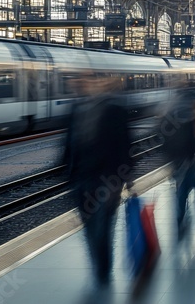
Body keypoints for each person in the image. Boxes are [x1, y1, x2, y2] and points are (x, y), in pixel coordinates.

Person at [62, 74, 133, 288]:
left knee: (103, 225)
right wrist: (67, 173)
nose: (93, 84)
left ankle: (103, 266)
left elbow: (125, 146)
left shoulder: (116, 110)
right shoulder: (76, 109)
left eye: (97, 80)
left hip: (107, 180)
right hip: (81, 178)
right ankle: (98, 260)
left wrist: (126, 179)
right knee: (89, 226)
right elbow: (68, 143)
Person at [159, 83, 195, 236]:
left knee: (179, 183)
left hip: (174, 155)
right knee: (184, 186)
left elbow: (160, 131)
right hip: (189, 154)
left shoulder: (169, 105)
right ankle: (180, 214)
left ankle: (180, 211)